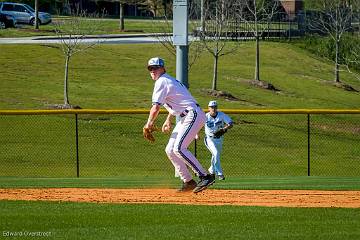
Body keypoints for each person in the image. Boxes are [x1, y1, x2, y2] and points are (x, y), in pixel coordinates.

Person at [143, 57, 215, 193]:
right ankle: (188, 181)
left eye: (155, 68)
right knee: (170, 150)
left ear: (163, 68)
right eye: (150, 68)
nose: (153, 71)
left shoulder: (162, 81)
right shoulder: (167, 80)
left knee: (179, 148)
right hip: (186, 115)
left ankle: (205, 176)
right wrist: (168, 119)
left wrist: (148, 124)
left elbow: (155, 108)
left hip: (191, 114)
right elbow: (177, 101)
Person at [204, 100, 233, 181]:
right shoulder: (205, 116)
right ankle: (219, 173)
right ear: (208, 108)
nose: (213, 108)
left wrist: (224, 129)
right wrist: (196, 134)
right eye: (211, 107)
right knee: (216, 154)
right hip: (209, 138)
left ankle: (211, 170)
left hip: (219, 139)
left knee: (215, 156)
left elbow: (230, 123)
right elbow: (197, 125)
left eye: (215, 107)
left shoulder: (221, 115)